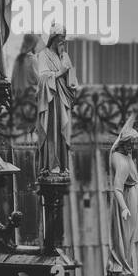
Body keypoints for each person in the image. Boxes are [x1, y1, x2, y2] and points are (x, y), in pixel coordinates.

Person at [35, 23, 80, 174]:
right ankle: (51, 165)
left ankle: (63, 166)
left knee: (64, 131)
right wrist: (61, 71)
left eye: (65, 39)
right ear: (53, 38)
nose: (63, 42)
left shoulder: (65, 56)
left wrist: (70, 77)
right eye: (61, 38)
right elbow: (41, 79)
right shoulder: (43, 54)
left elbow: (73, 82)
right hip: (50, 102)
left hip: (63, 100)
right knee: (52, 132)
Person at [107, 116, 138, 275]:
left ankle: (121, 262)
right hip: (127, 197)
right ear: (125, 143)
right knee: (127, 232)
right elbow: (117, 189)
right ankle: (123, 264)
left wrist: (133, 117)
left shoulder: (119, 151)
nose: (133, 147)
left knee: (128, 232)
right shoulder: (122, 163)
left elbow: (123, 132)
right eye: (131, 144)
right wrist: (124, 208)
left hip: (131, 192)